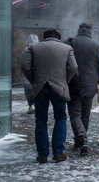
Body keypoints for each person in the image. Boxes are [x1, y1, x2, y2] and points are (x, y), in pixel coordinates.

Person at [21, 29, 78, 164]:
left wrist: (34, 80)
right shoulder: (67, 48)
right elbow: (74, 67)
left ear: (44, 37)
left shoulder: (34, 48)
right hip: (59, 88)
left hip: (40, 88)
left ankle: (42, 155)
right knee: (60, 118)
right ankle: (58, 152)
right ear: (59, 38)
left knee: (40, 120)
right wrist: (65, 80)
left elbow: (25, 66)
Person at [66, 23, 99, 156]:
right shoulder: (97, 46)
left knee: (74, 114)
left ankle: (81, 139)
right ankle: (81, 140)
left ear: (78, 30)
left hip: (72, 84)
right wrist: (98, 79)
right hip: (90, 86)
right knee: (85, 115)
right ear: (91, 32)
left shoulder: (69, 43)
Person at [22, 34, 39, 114]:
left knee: (28, 89)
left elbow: (24, 63)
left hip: (28, 74)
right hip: (38, 74)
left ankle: (31, 105)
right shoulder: (40, 50)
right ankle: (36, 105)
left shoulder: (26, 50)